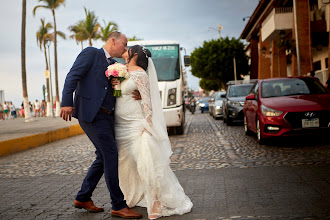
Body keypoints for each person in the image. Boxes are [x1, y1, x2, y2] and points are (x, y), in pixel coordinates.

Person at [60, 31, 142, 219]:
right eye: (124, 43)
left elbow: (114, 92)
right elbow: (72, 76)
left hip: (108, 116)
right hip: (92, 115)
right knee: (111, 154)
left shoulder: (114, 65)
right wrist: (67, 102)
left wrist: (134, 93)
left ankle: (83, 197)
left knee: (103, 157)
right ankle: (118, 205)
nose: (125, 48)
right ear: (113, 41)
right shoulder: (91, 53)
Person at [113, 45, 193, 219]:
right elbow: (118, 95)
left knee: (146, 164)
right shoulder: (119, 71)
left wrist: (148, 125)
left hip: (136, 125)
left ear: (133, 54)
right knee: (126, 164)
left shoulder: (141, 73)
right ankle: (130, 196)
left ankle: (156, 202)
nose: (124, 50)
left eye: (128, 49)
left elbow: (148, 103)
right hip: (120, 126)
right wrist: (115, 85)